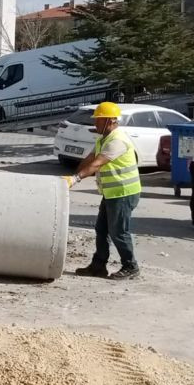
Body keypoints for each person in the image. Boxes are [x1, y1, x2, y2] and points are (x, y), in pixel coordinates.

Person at [67, 101, 142, 280]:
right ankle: (98, 265)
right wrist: (72, 175)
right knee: (101, 230)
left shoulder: (117, 140)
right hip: (112, 192)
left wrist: (76, 179)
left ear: (109, 120)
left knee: (118, 232)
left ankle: (131, 267)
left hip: (124, 193)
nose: (95, 124)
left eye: (98, 120)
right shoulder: (103, 139)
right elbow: (90, 158)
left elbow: (97, 163)